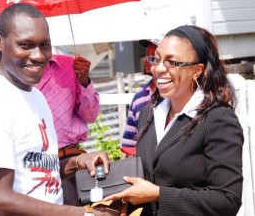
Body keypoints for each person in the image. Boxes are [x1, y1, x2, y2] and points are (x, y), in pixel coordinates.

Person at [0, 3, 120, 216]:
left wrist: (78, 162)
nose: (39, 56)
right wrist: (84, 214)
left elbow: (37, 174)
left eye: (45, 45)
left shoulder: (36, 96)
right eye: (25, 45)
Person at [104, 25, 244, 216]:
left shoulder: (218, 119)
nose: (159, 69)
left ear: (197, 70)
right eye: (157, 59)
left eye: (172, 62)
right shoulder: (148, 114)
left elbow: (227, 200)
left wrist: (158, 194)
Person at [0, 37, 99, 161]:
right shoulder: (4, 71)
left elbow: (90, 116)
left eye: (44, 42)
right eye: (26, 43)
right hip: (25, 164)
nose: (37, 49)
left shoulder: (70, 66)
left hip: (68, 156)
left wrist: (84, 81)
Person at [121, 38, 158, 156]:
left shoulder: (175, 96)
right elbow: (129, 143)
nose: (147, 60)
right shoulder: (139, 96)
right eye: (147, 55)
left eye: (153, 56)